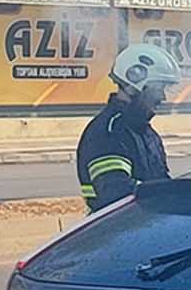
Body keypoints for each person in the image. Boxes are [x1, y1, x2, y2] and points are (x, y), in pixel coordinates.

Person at [77, 44, 181, 212]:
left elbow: (160, 182)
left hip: (144, 227)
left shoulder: (146, 132)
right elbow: (116, 192)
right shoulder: (109, 133)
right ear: (134, 87)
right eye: (157, 89)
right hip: (116, 232)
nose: (162, 97)